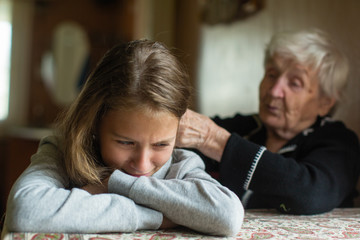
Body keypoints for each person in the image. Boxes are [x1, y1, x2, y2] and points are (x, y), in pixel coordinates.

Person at [3, 40, 244, 236]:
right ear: (95, 122)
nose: (142, 164)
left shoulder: (181, 166)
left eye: (161, 144)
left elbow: (228, 216)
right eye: (125, 142)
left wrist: (115, 184)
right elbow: (25, 210)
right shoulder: (62, 151)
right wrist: (156, 216)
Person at [176, 29, 360, 215]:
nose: (274, 91)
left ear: (325, 102)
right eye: (272, 75)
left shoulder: (338, 141)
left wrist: (213, 140)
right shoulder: (249, 127)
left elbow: (312, 194)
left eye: (295, 83)